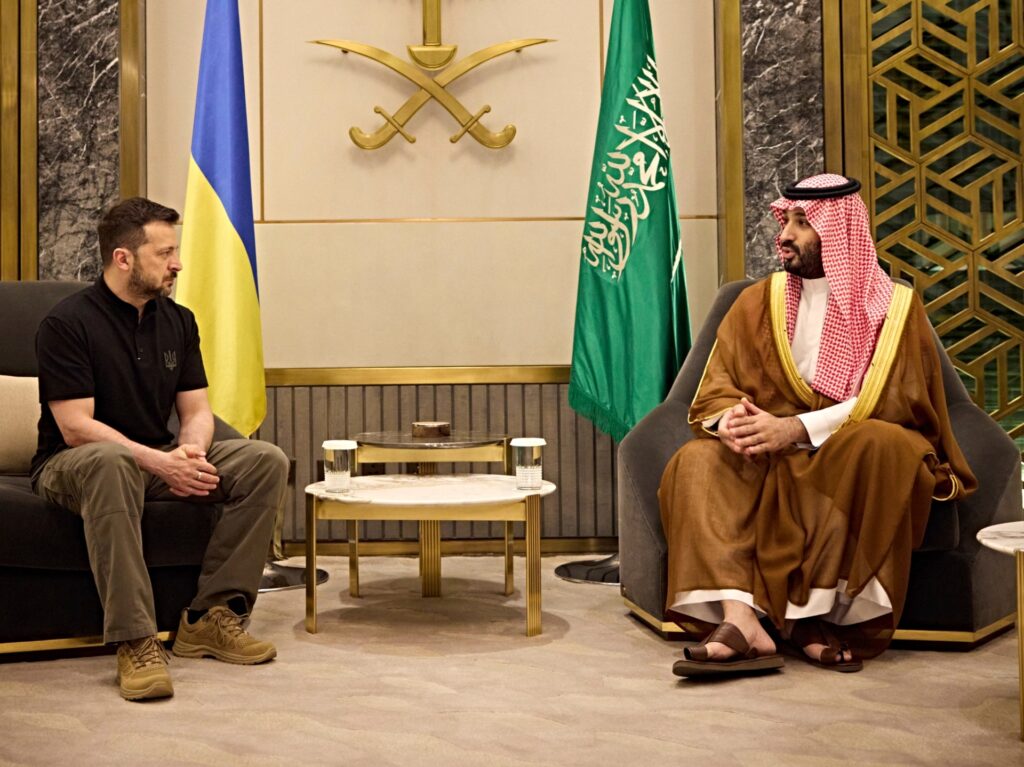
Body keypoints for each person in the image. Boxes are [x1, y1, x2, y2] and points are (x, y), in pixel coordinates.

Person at [659, 174, 975, 678]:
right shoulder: (755, 302)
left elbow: (898, 401)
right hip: (765, 453)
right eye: (788, 220)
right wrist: (734, 423)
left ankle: (814, 621)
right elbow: (717, 387)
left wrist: (797, 429)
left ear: (840, 231)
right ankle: (742, 621)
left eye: (803, 223)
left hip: (847, 443)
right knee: (694, 460)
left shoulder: (895, 309)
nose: (785, 234)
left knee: (881, 445)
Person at [32, 197, 289, 701]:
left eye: (176, 251)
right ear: (123, 258)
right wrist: (157, 461)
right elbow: (76, 427)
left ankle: (211, 617)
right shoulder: (67, 324)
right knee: (111, 462)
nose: (177, 264)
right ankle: (135, 638)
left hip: (157, 455)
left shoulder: (179, 320)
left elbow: (195, 411)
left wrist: (189, 455)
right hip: (73, 464)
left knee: (264, 461)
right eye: (164, 252)